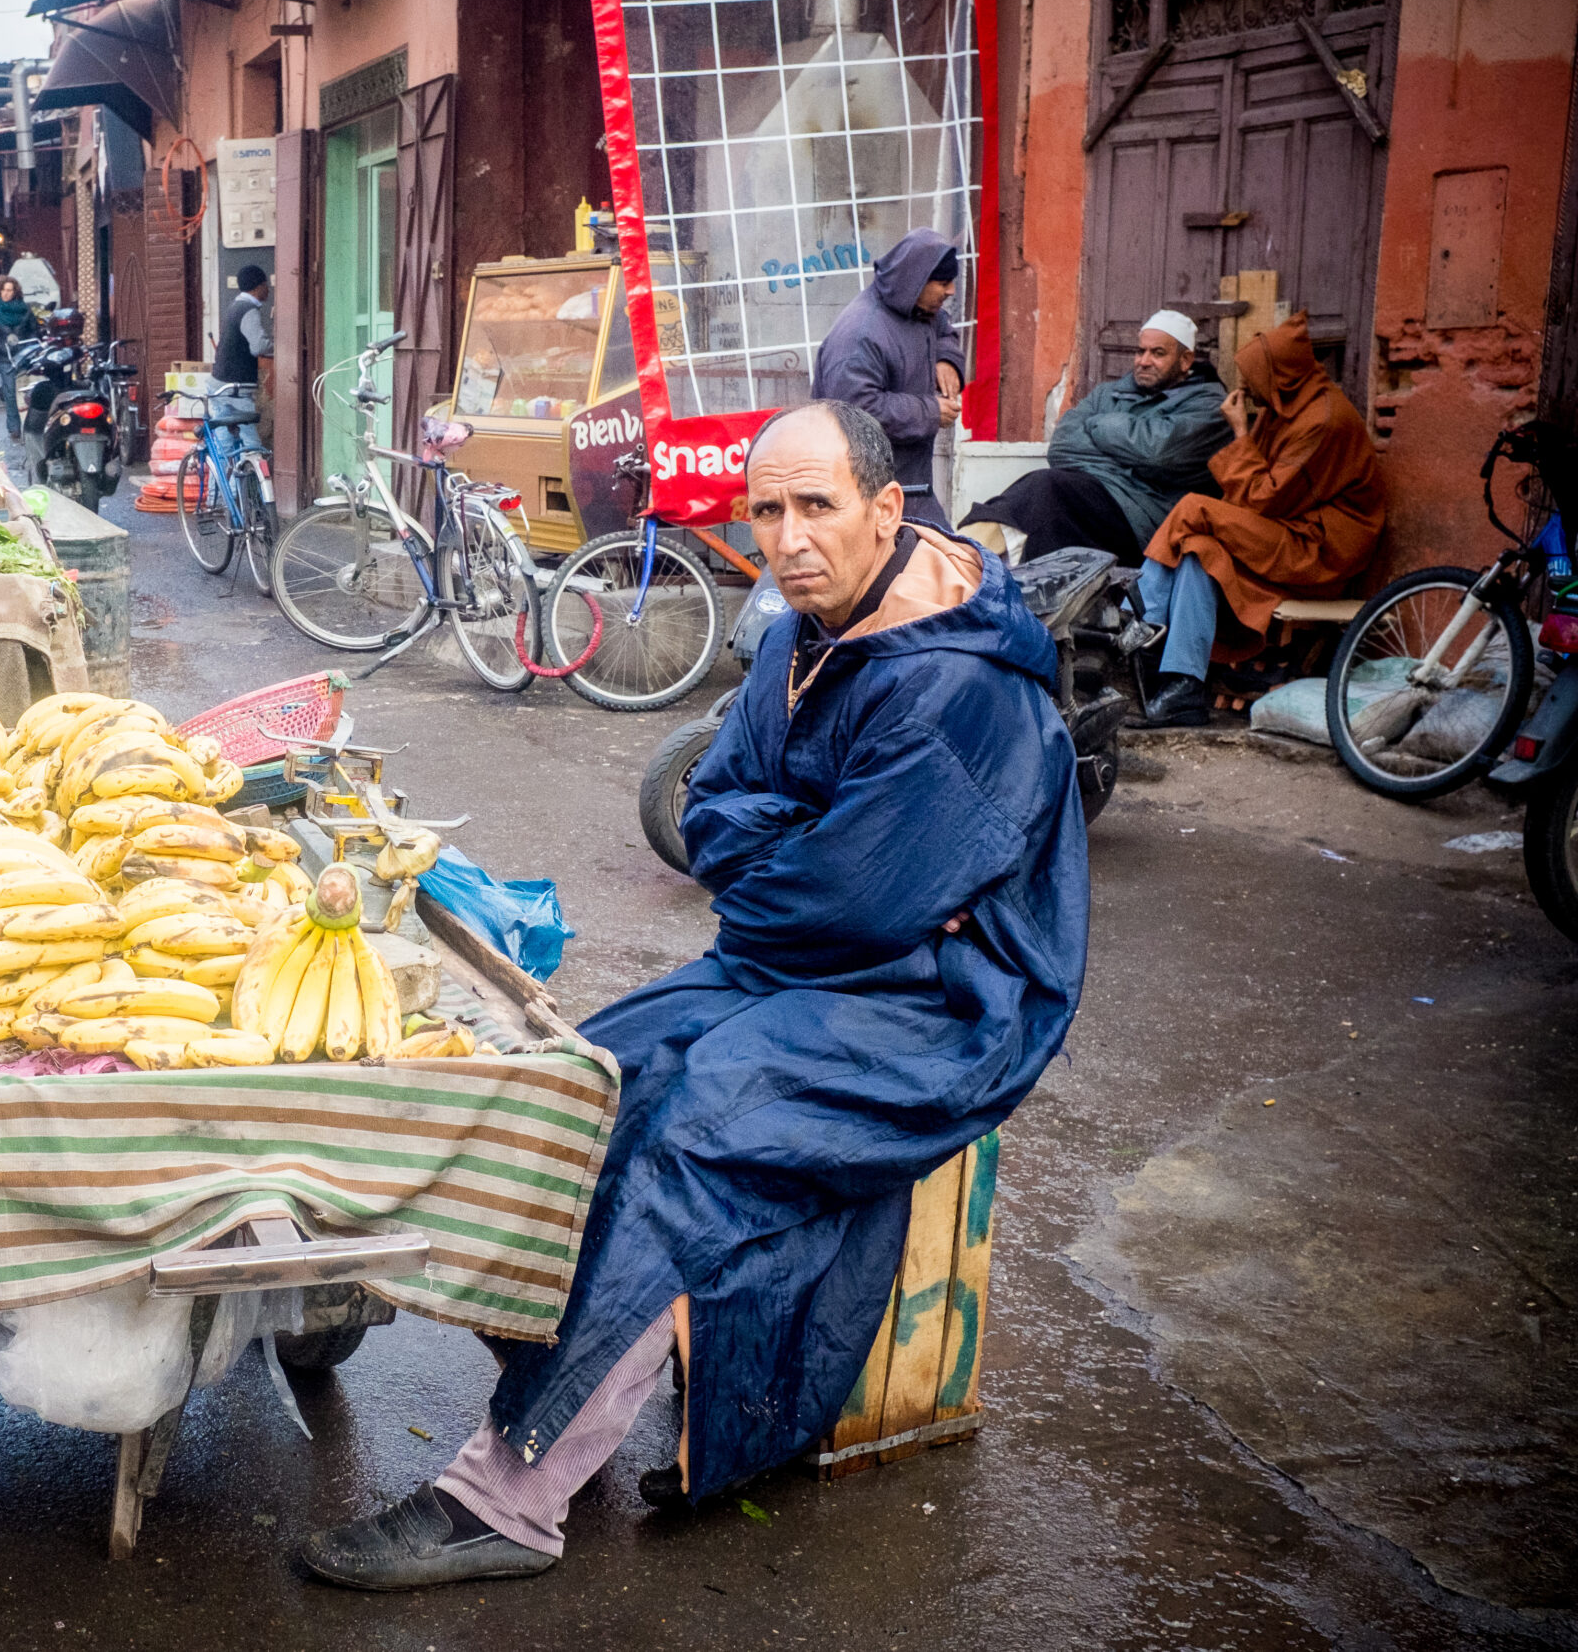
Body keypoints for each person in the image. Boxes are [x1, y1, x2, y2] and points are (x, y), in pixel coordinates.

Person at [296, 400, 1088, 1592]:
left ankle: (508, 1497)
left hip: (943, 1003)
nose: (788, 537)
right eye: (766, 510)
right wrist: (794, 852)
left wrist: (792, 860)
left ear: (885, 509)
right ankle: (557, 1367)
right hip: (801, 962)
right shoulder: (800, 629)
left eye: (816, 505)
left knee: (696, 1131)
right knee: (582, 1077)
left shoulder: (960, 687)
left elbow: (848, 903)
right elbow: (710, 808)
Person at [1123, 313, 1388, 728]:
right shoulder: (1283, 405)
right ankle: (1184, 686)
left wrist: (1240, 434)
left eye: (1253, 378)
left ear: (1280, 375)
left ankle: (1136, 624)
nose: (1245, 387)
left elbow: (1264, 500)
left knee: (1193, 508)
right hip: (1287, 530)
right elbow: (1255, 499)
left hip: (1320, 552)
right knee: (1197, 550)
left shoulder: (1324, 420)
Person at [974, 309, 1228, 564]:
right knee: (1046, 507)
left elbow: (1157, 454)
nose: (1144, 361)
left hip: (1144, 519)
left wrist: (1099, 425)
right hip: (1093, 498)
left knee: (1047, 490)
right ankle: (971, 557)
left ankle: (968, 558)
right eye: (1140, 351)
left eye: (1158, 353)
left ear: (1185, 360)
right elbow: (1061, 447)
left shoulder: (1209, 406)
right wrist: (1127, 460)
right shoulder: (1108, 393)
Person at [809, 228, 966, 530]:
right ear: (917, 281)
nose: (951, 291)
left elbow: (942, 329)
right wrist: (931, 412)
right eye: (943, 283)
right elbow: (854, 413)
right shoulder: (860, 336)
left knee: (948, 554)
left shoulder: (918, 308)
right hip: (865, 497)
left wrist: (947, 360)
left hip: (908, 487)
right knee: (943, 554)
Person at [211, 263, 272, 454]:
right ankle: (257, 473)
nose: (268, 289)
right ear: (258, 287)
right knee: (251, 440)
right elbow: (259, 346)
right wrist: (281, 348)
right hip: (235, 386)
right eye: (266, 285)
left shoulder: (235, 306)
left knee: (224, 440)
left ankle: (219, 474)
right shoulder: (248, 310)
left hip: (219, 381)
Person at [0, 276, 36, 408]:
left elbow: (34, 331)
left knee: (23, 392)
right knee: (9, 392)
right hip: (4, 357)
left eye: (9, 290)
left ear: (15, 292)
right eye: (3, 290)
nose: (5, 293)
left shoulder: (25, 310)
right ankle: (12, 417)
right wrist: (1, 347)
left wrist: (26, 347)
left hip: (23, 356)